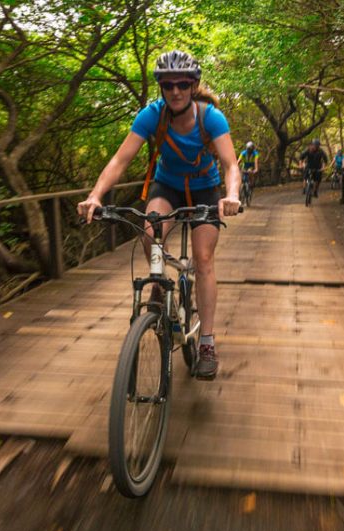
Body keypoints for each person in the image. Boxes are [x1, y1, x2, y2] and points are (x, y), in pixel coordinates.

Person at [77, 50, 241, 380]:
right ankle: (159, 285)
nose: (176, 91)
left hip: (205, 190)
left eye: (183, 84)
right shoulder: (151, 115)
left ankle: (206, 341)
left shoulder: (210, 117)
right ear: (161, 88)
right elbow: (119, 161)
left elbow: (230, 165)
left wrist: (232, 195)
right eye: (168, 85)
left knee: (204, 259)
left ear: (193, 85)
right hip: (167, 187)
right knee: (150, 233)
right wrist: (95, 196)